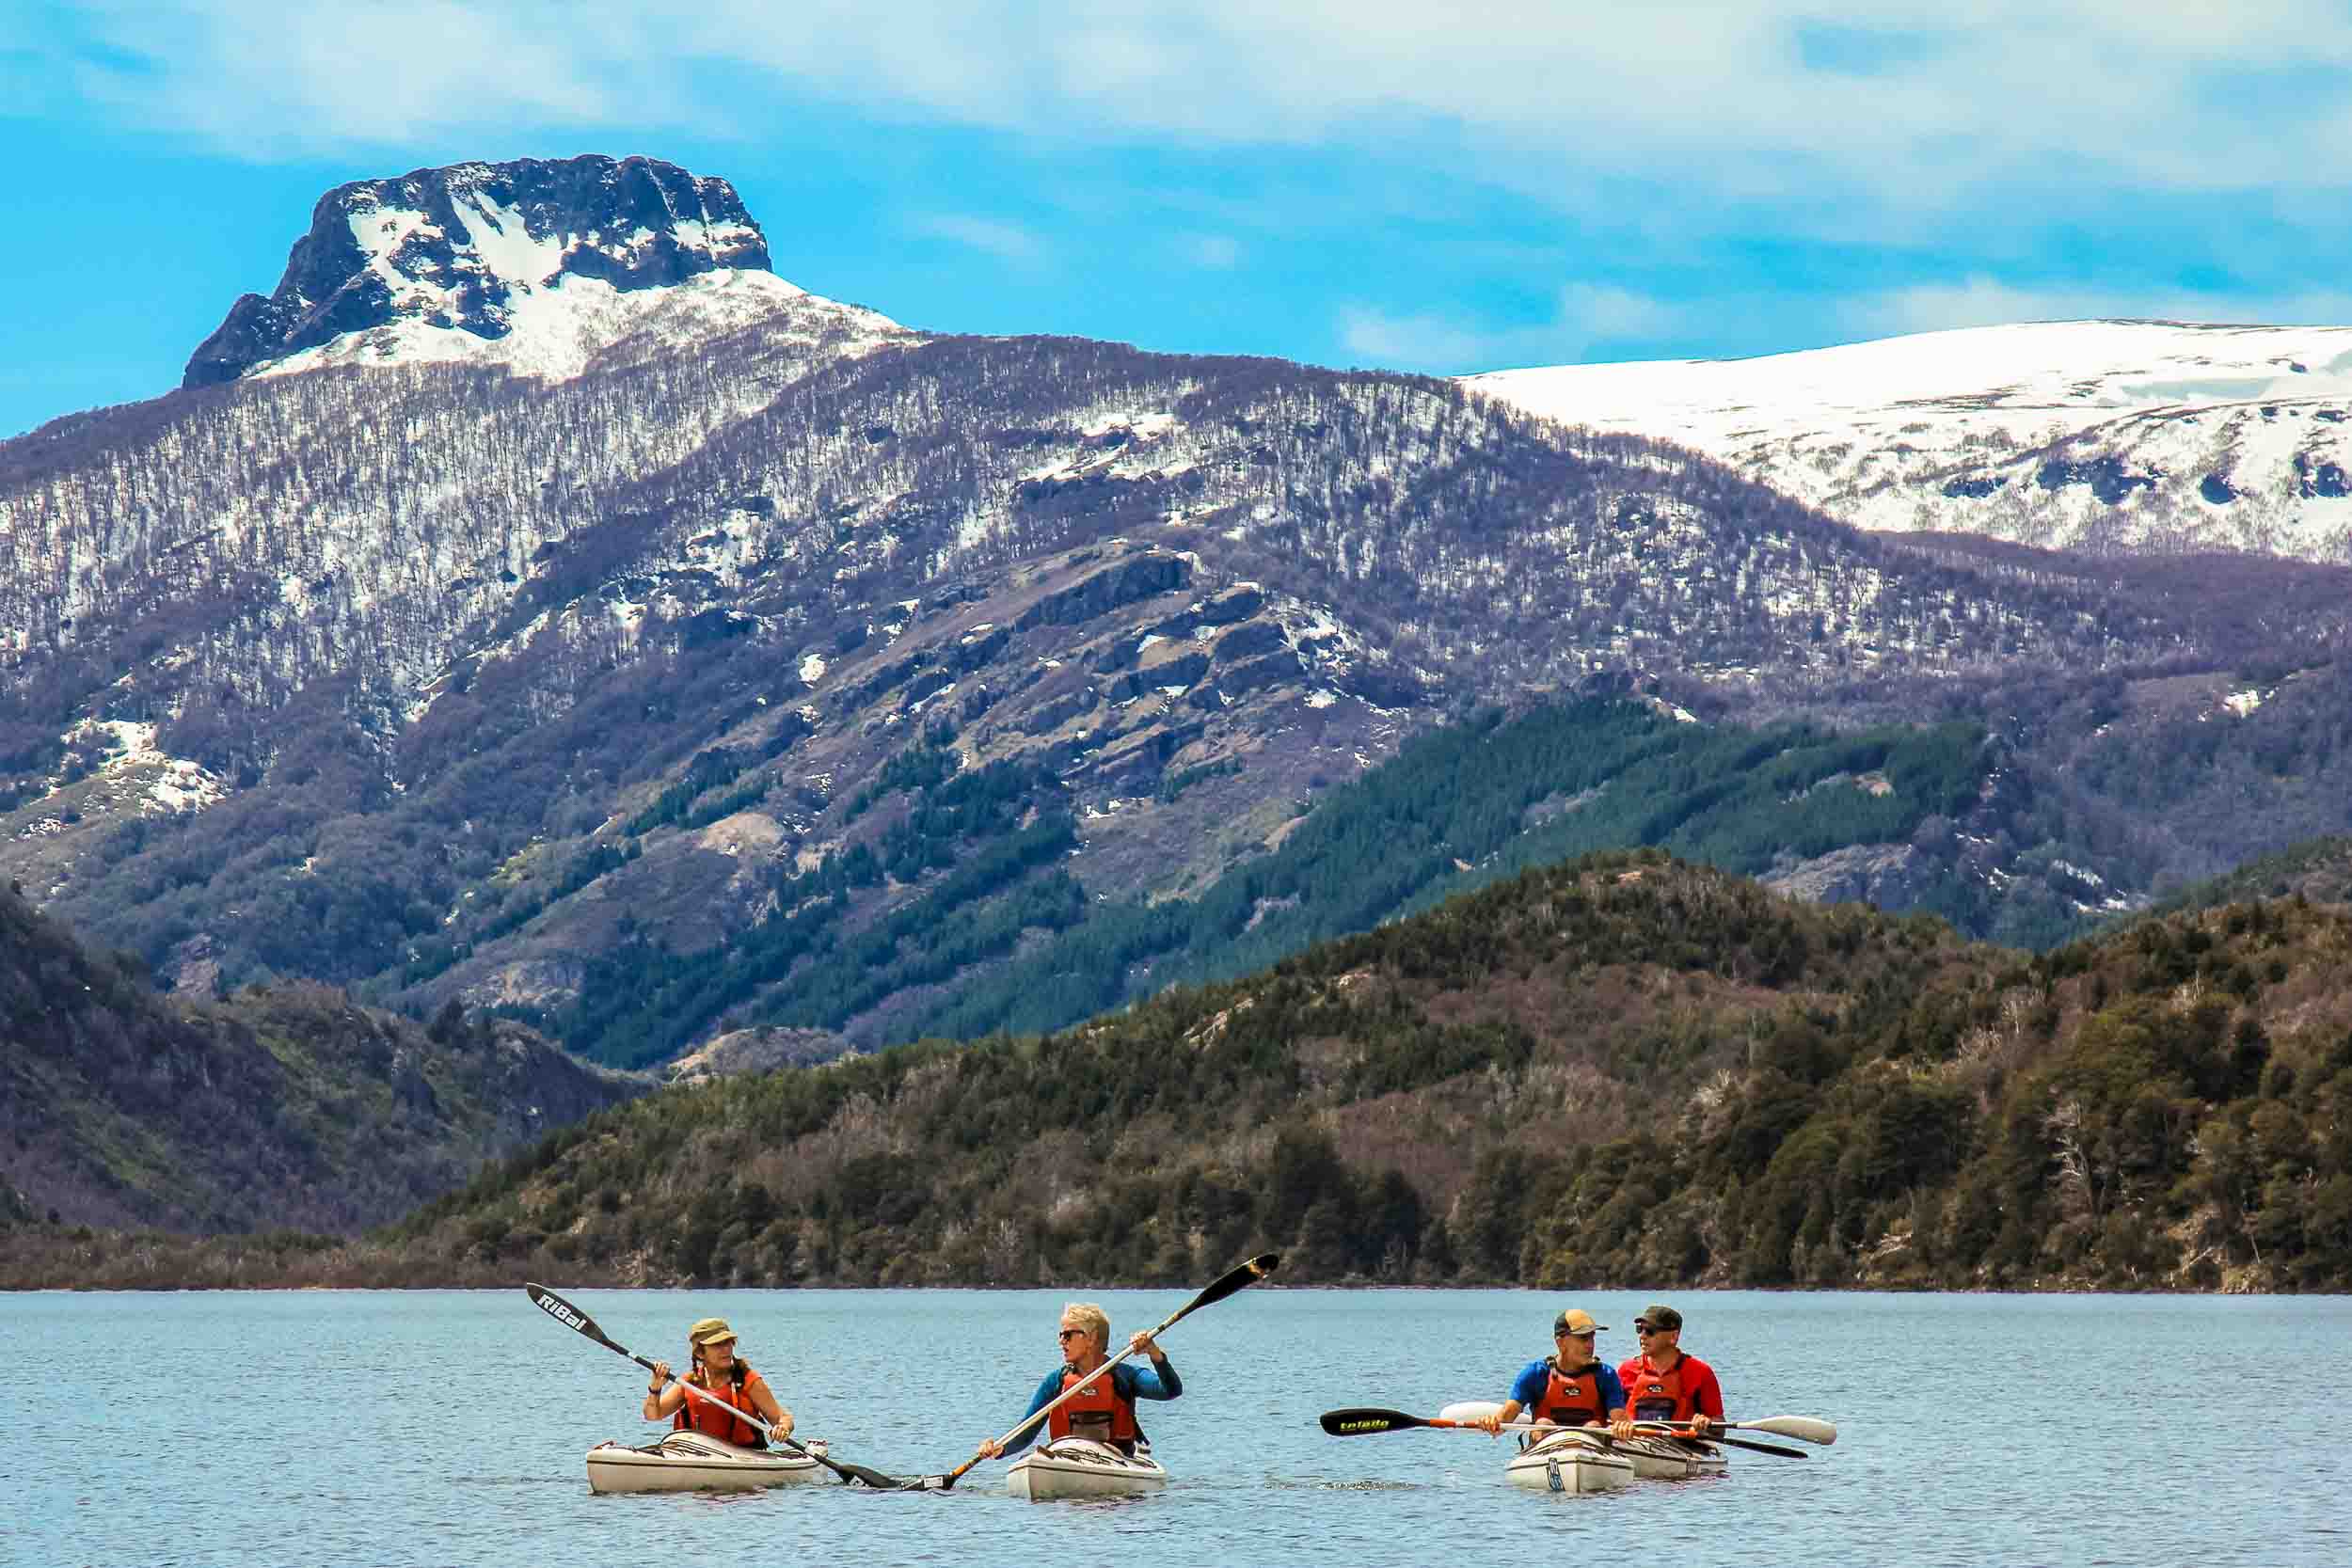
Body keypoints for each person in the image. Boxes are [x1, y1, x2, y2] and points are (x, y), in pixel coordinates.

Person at [975, 1301, 1183, 1461]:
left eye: (1068, 1335)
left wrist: (1154, 1352)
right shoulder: (1056, 1382)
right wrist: (1000, 1448)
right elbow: (1026, 1432)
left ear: (1091, 1338)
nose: (1061, 1341)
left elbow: (1170, 1390)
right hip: (1069, 1458)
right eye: (1060, 1335)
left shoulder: (1126, 1376)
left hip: (1117, 1459)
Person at [1472, 1307, 1629, 1437]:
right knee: (1543, 1424)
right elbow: (1504, 1421)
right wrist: (1492, 1423)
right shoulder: (1535, 1374)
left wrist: (1624, 1429)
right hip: (1547, 1450)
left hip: (1592, 1450)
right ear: (1561, 1343)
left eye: (1591, 1338)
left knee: (1593, 1426)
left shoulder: (1605, 1375)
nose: (1590, 1345)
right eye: (1583, 1338)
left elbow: (1620, 1421)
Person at [644, 1316, 792, 1449]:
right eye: (717, 1345)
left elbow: (783, 1418)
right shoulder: (689, 1382)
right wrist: (655, 1388)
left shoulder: (748, 1380)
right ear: (700, 1352)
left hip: (743, 1457)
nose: (726, 1349)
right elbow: (653, 1415)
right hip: (695, 1454)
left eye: (728, 1343)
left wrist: (782, 1428)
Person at [1615, 1303, 1723, 1438]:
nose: (1642, 1336)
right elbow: (1611, 1416)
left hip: (1683, 1447)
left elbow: (1720, 1428)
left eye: (1650, 1331)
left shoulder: (1701, 1372)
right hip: (1635, 1445)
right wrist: (1619, 1425)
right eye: (1639, 1329)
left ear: (1673, 1337)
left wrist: (1706, 1424)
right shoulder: (1626, 1370)